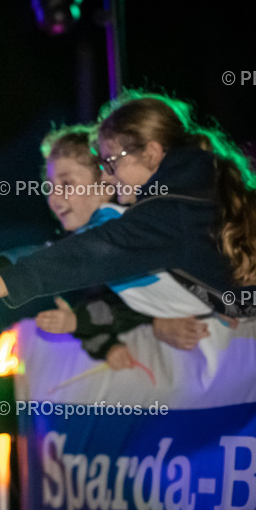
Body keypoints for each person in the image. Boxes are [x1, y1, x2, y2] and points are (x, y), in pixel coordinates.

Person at [0, 92, 256, 321]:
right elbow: (69, 254)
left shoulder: (171, 210)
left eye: (111, 161)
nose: (108, 176)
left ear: (154, 152)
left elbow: (97, 251)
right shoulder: (191, 194)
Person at [24, 124, 213, 368]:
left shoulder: (125, 226)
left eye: (67, 184)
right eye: (49, 187)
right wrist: (103, 340)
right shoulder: (100, 241)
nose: (54, 198)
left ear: (103, 184)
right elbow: (122, 306)